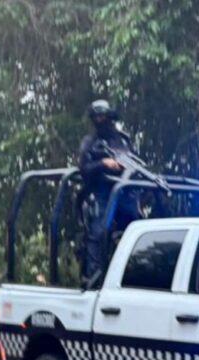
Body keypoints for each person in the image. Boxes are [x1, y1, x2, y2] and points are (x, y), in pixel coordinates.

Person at [77, 98, 132, 284]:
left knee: (134, 228)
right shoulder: (90, 142)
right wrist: (103, 164)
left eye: (103, 116)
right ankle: (94, 279)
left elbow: (130, 163)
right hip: (100, 192)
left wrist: (122, 165)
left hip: (123, 192)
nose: (100, 120)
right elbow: (83, 168)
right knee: (98, 233)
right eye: (97, 117)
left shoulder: (121, 139)